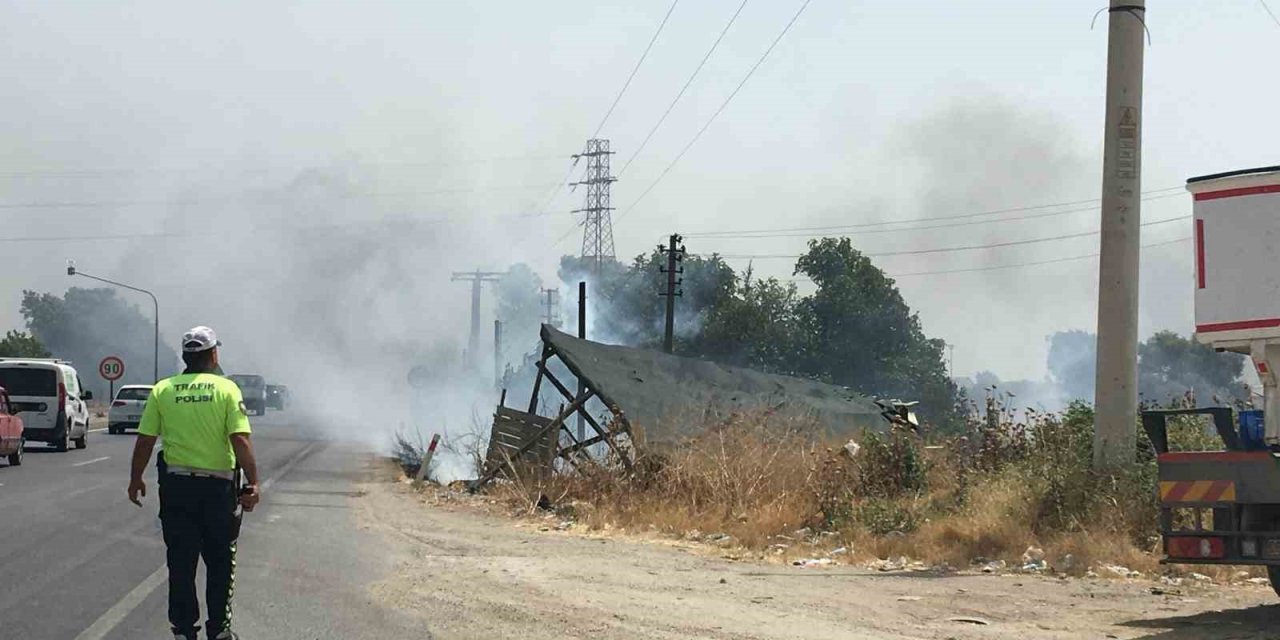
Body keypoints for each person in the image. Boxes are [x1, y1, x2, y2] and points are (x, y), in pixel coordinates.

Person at [128, 326, 260, 640]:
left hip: (176, 491)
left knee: (181, 564)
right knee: (220, 563)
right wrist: (254, 482)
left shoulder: (163, 390)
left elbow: (145, 440)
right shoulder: (226, 389)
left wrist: (135, 479)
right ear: (213, 355)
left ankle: (183, 631)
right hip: (217, 492)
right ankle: (219, 631)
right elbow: (239, 439)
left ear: (186, 357)